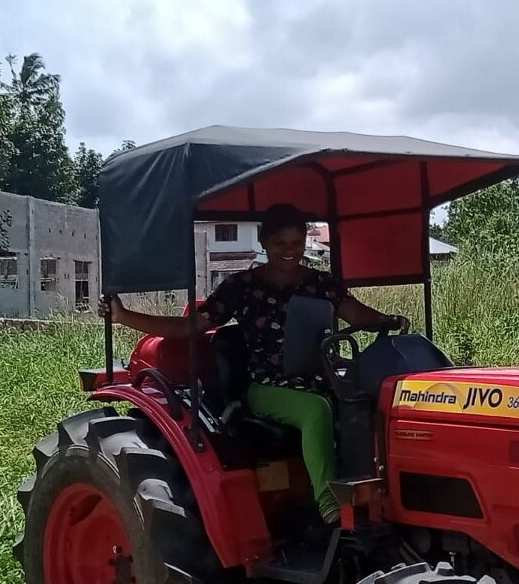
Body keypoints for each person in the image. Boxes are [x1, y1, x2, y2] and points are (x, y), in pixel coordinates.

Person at [100, 203, 408, 525]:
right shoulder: (241, 287)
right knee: (316, 410)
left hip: (320, 380)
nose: (289, 251)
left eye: (296, 243)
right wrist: (124, 316)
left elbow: (356, 314)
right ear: (264, 242)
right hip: (265, 386)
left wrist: (389, 321)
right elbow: (189, 327)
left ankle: (382, 496)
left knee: (373, 401)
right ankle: (331, 506)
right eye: (280, 243)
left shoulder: (322, 284)